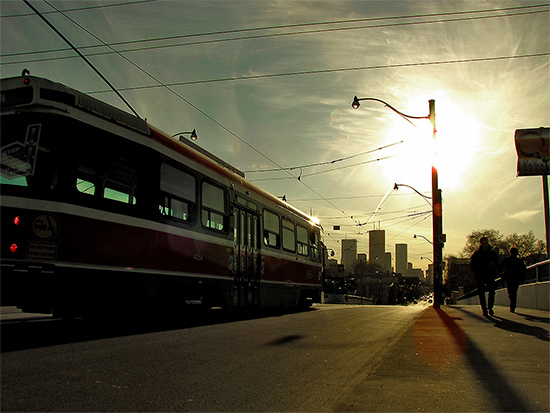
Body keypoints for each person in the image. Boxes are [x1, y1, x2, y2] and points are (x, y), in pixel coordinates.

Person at [470, 236, 499, 316]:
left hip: (490, 275)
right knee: (481, 293)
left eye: (486, 243)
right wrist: (477, 270)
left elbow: (497, 263)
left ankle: (490, 307)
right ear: (481, 244)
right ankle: (484, 309)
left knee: (492, 292)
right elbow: (472, 265)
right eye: (483, 243)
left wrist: (493, 265)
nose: (485, 245)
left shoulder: (492, 253)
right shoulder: (477, 254)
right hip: (480, 275)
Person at [499, 247, 527, 313]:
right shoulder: (519, 261)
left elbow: (499, 267)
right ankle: (513, 306)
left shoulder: (506, 260)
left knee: (511, 292)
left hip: (509, 278)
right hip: (516, 279)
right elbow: (524, 270)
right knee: (514, 292)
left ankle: (512, 305)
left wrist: (502, 275)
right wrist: (522, 278)